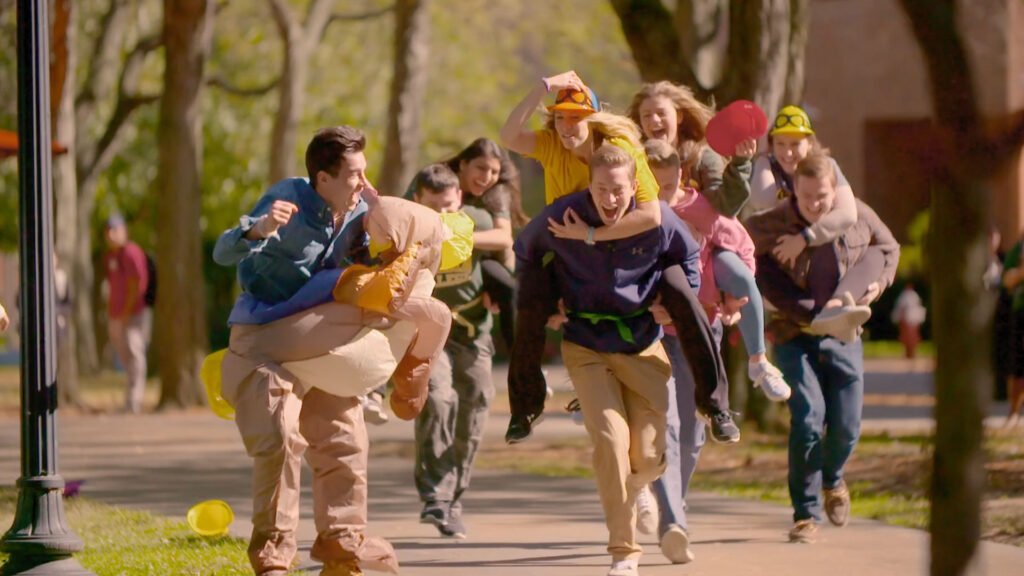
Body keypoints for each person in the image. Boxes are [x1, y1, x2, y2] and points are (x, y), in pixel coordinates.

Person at [212, 126, 442, 576]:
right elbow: (224, 252)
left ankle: (341, 548)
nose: (363, 182)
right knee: (279, 434)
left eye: (363, 171)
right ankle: (274, 556)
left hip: (321, 340)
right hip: (266, 336)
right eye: (354, 173)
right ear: (322, 179)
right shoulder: (288, 199)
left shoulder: (360, 210)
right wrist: (258, 229)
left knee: (346, 438)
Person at [500, 71, 737, 444]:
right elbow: (510, 136)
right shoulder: (550, 145)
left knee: (686, 303)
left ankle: (716, 407)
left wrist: (593, 233)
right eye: (560, 117)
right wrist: (543, 86)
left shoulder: (621, 150)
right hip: (571, 243)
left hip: (632, 241)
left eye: (575, 118)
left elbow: (653, 217)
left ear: (593, 120)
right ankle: (527, 407)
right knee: (530, 305)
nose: (565, 126)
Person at [514, 144, 705, 576]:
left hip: (643, 347)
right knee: (610, 443)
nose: (610, 198)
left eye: (619, 190)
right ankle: (624, 552)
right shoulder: (564, 215)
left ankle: (638, 485)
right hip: (586, 345)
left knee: (654, 457)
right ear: (591, 186)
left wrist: (674, 304)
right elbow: (524, 251)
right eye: (602, 189)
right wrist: (542, 303)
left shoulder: (655, 218)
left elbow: (689, 255)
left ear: (634, 186)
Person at [746, 153, 899, 543]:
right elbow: (740, 249)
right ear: (793, 191)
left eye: (823, 196)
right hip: (793, 334)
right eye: (807, 196)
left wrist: (879, 285)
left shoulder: (858, 213)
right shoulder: (773, 221)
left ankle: (833, 480)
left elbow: (889, 248)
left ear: (836, 190)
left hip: (844, 331)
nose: (816, 204)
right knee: (808, 418)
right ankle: (805, 515)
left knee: (846, 428)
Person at [410, 164, 496, 539]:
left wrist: (499, 287)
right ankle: (434, 495)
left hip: (472, 330)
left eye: (448, 207)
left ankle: (453, 499)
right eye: (433, 208)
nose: (442, 217)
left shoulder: (475, 218)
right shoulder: (407, 226)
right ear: (417, 202)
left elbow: (505, 246)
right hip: (430, 331)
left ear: (459, 198)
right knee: (439, 399)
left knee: (477, 401)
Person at [103, 214, 150, 414]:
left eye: (116, 230)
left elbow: (136, 285)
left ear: (124, 231)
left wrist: (126, 312)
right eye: (108, 231)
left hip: (133, 315)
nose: (111, 235)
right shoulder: (111, 257)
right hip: (116, 314)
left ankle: (134, 399)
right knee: (125, 355)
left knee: (135, 353)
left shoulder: (132, 253)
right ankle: (130, 396)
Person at [890, 283, 926, 359]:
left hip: (910, 320)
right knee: (908, 337)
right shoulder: (910, 295)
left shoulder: (908, 295)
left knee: (910, 337)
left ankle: (911, 353)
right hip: (910, 320)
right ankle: (909, 353)